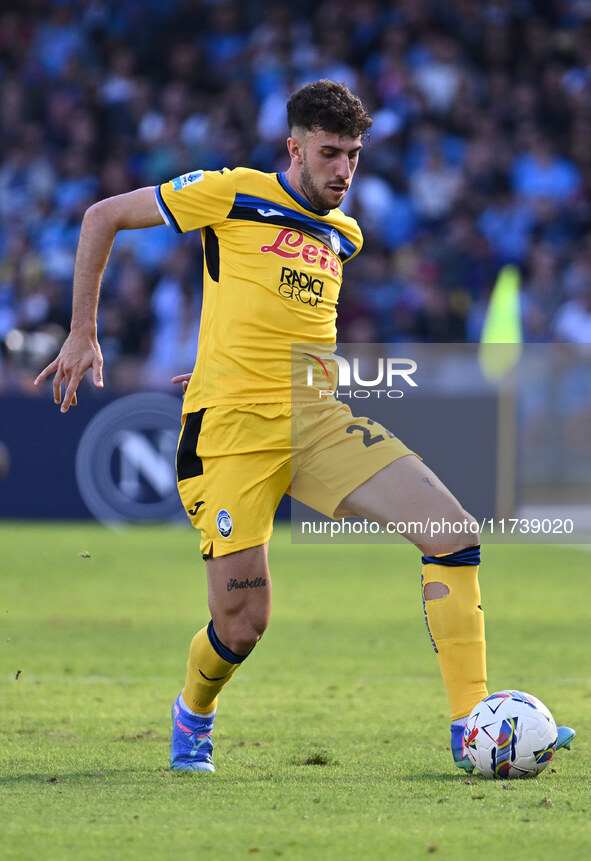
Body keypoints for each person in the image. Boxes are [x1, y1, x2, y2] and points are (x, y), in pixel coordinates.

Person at [35, 80, 574, 773]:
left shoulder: (343, 234)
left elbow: (284, 317)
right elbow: (101, 216)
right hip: (230, 436)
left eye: (352, 155)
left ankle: (470, 725)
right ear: (294, 148)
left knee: (452, 533)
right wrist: (84, 331)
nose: (342, 170)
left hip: (318, 423)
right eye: (328, 153)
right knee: (243, 623)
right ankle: (193, 712)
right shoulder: (231, 192)